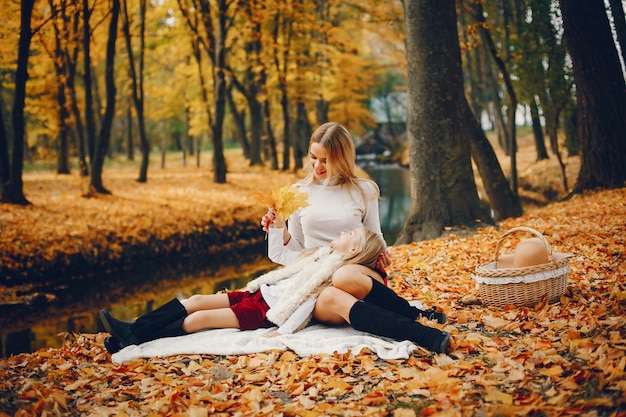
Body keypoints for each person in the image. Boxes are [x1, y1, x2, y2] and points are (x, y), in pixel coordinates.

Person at [261, 122, 447, 333]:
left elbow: (375, 236)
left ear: (342, 158)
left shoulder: (364, 190)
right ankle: (410, 326)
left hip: (356, 277)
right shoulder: (298, 193)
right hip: (318, 283)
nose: (317, 166)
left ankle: (413, 316)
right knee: (327, 289)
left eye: (326, 160)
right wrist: (280, 232)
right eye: (313, 157)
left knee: (343, 275)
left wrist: (381, 255)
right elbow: (299, 252)